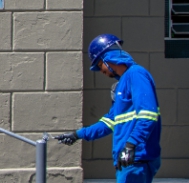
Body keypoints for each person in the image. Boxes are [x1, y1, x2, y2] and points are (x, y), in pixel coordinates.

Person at [55, 34, 161, 183]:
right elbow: (109, 122)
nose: (101, 71)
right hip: (129, 159)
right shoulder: (123, 83)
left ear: (108, 58)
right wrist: (77, 134)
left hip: (136, 158)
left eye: (100, 65)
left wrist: (130, 145)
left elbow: (148, 115)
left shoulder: (136, 74)